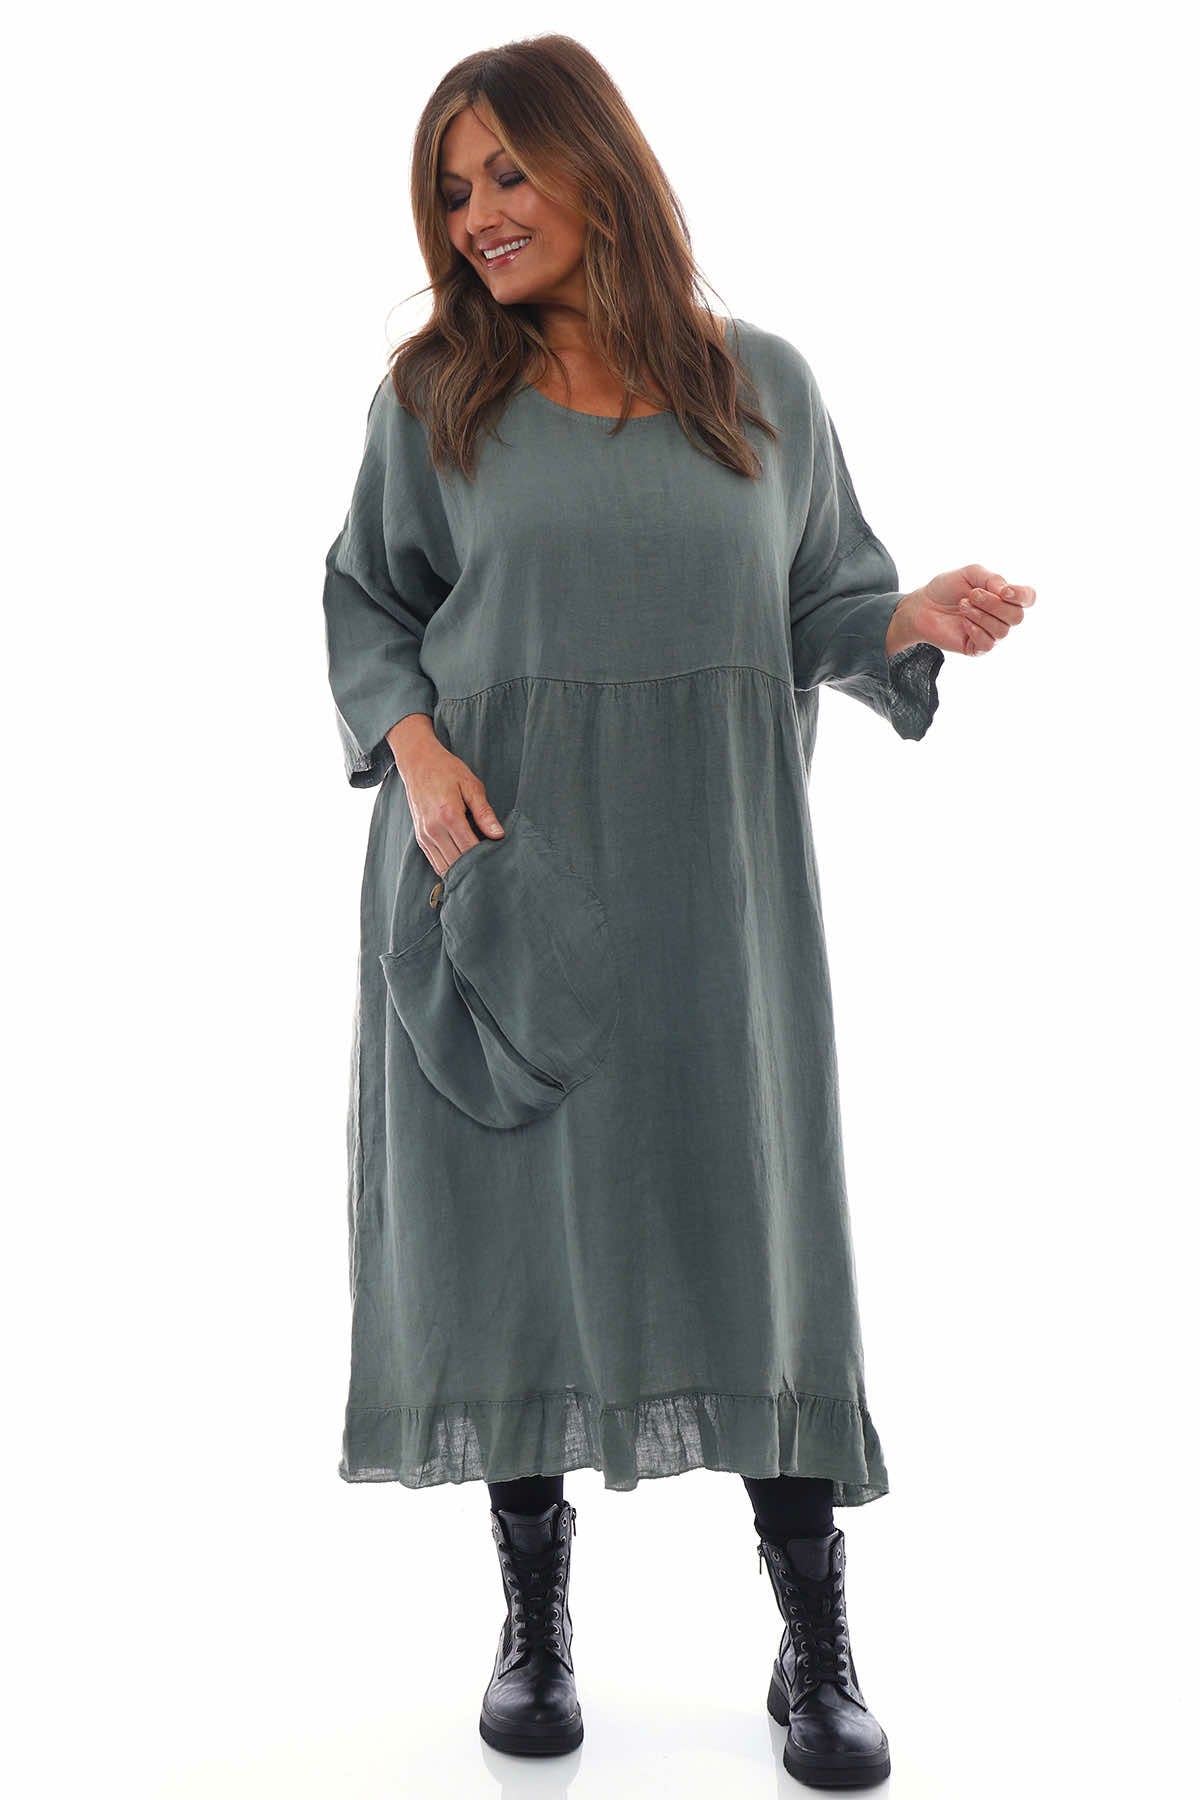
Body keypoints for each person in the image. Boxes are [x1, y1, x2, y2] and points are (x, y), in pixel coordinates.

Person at [320, 33, 1035, 1789]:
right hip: (501, 874)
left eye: (508, 171)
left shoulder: (760, 384)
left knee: (752, 1230)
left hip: (715, 894)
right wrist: (415, 749)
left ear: (599, 162)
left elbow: (825, 601)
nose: (479, 216)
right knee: (511, 1236)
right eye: (453, 191)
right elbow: (365, 601)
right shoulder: (436, 400)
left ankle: (815, 1643)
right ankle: (534, 1621)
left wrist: (906, 621)